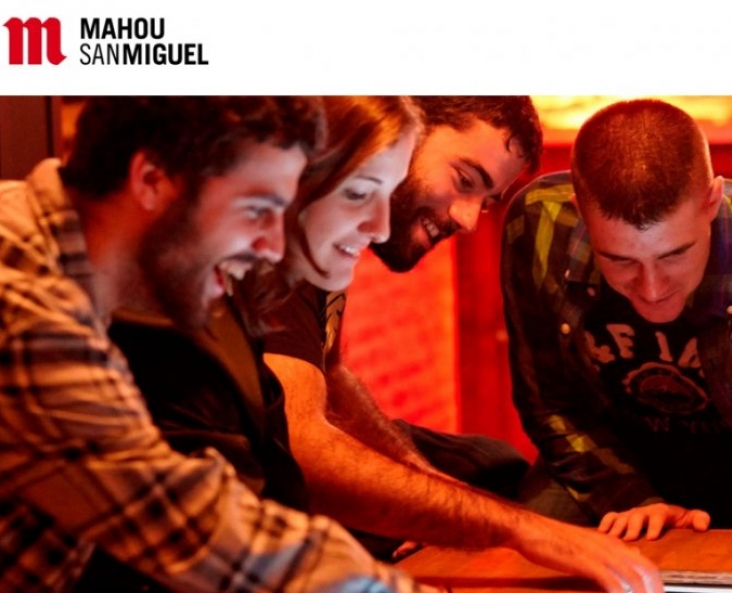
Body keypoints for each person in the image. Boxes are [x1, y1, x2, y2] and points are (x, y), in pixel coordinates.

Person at [0, 96, 432, 593]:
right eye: (257, 210)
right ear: (151, 180)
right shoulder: (29, 313)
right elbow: (200, 531)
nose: (272, 245)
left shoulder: (36, 232)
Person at [257, 96, 663, 593]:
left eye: (486, 201)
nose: (470, 220)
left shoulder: (334, 232)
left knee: (491, 464)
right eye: (465, 180)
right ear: (402, 128)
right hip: (256, 480)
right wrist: (519, 528)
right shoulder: (286, 235)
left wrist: (434, 493)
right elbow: (300, 445)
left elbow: (331, 372)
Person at [502, 98, 730, 542]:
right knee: (527, 554)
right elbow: (550, 405)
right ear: (582, 212)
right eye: (620, 259)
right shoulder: (540, 221)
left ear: (712, 201)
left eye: (674, 255)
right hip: (603, 455)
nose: (652, 289)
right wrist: (630, 497)